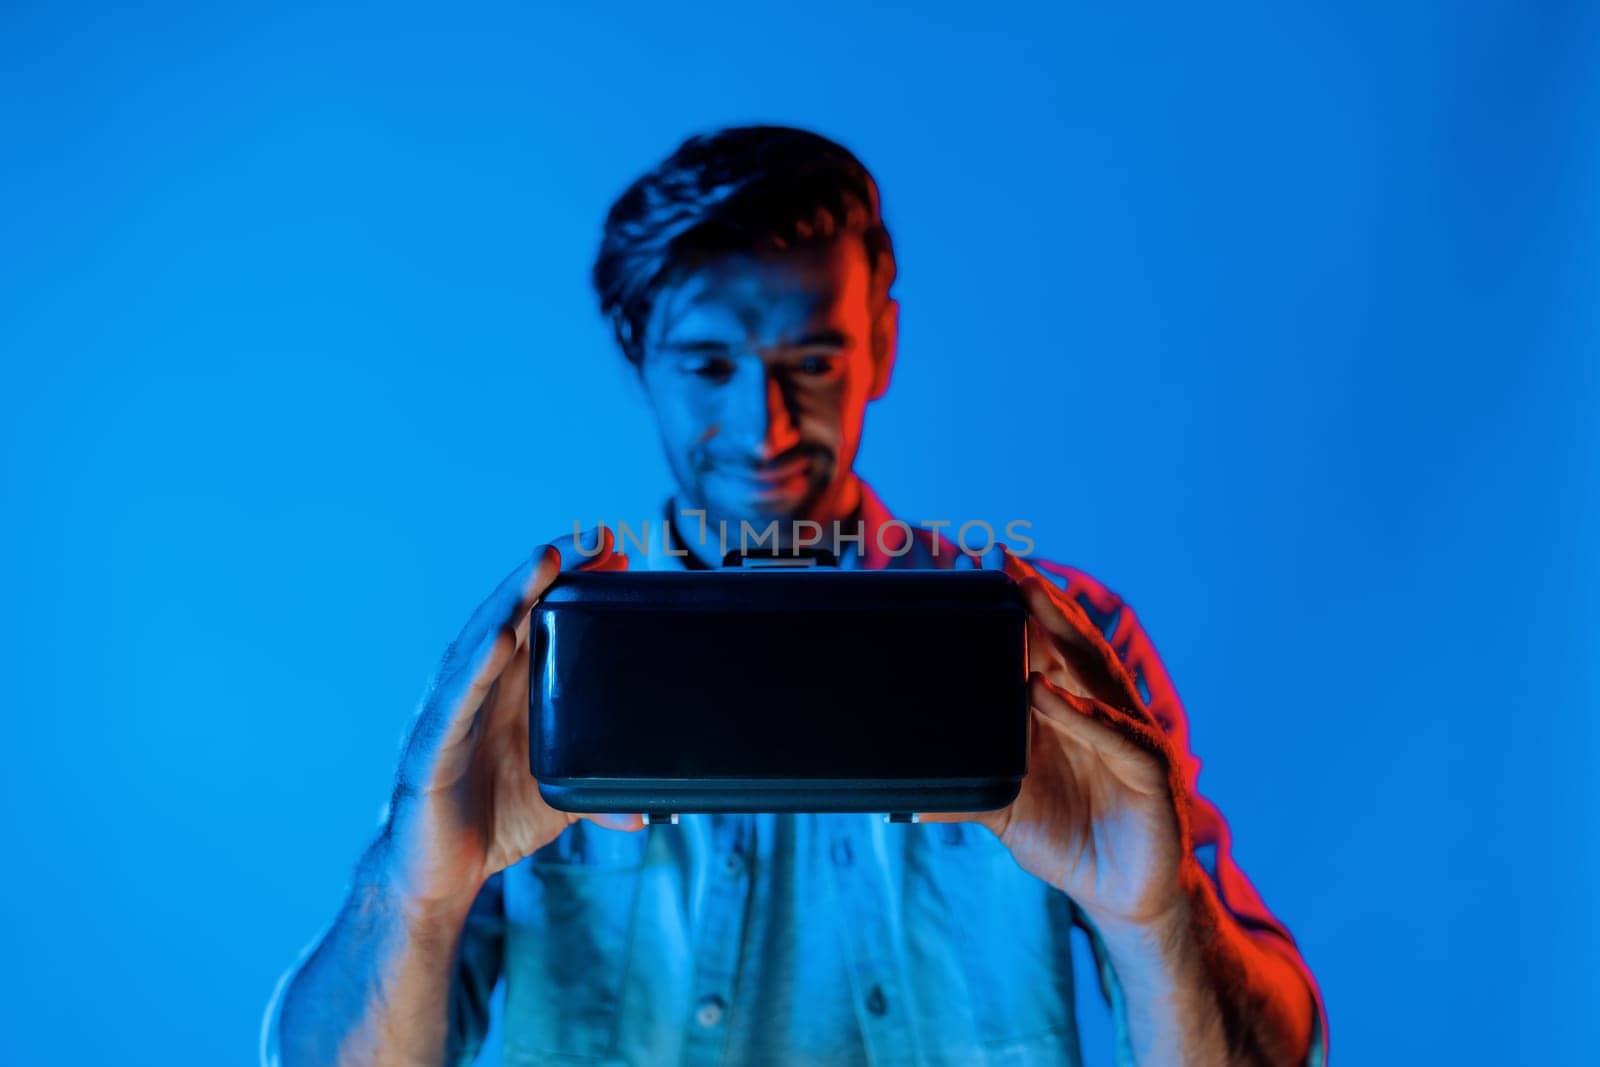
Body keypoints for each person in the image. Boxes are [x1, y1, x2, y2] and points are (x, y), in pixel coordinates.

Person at [262, 125, 1327, 1066]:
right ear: (638, 354)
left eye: (811, 360)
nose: (767, 428)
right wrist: (416, 890)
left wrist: (1156, 918)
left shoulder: (1051, 644)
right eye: (709, 364)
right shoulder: (534, 667)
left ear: (881, 346)